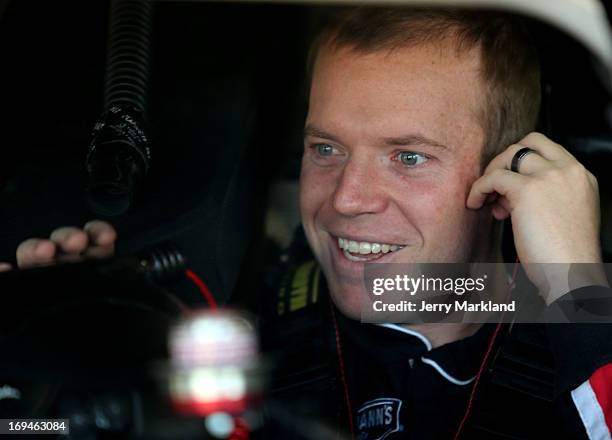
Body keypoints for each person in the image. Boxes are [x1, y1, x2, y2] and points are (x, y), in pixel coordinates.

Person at [5, 6, 612, 439]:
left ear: (506, 175)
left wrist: (575, 290)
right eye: (326, 148)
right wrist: (63, 364)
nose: (346, 198)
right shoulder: (238, 316)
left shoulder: (578, 324)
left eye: (408, 157)